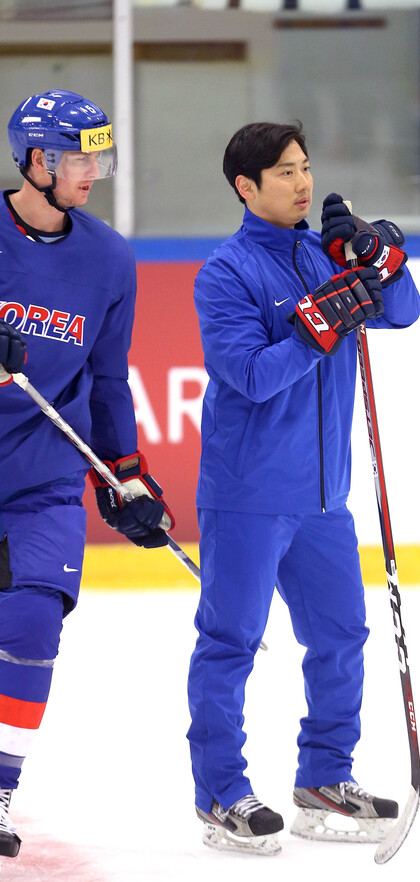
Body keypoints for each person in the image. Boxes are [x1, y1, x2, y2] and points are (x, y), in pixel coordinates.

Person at [187, 120, 420, 856]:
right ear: (246, 188)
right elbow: (250, 375)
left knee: (340, 636)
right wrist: (318, 328)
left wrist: (382, 264)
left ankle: (324, 778)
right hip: (248, 493)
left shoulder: (328, 257)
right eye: (285, 172)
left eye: (306, 166)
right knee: (231, 643)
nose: (303, 182)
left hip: (324, 497)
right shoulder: (225, 274)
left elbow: (404, 313)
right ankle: (221, 794)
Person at [0, 90, 174, 861]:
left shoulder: (108, 256)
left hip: (40, 479)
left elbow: (108, 379)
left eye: (99, 154)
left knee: (34, 625)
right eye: (79, 156)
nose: (93, 171)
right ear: (37, 162)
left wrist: (125, 475)